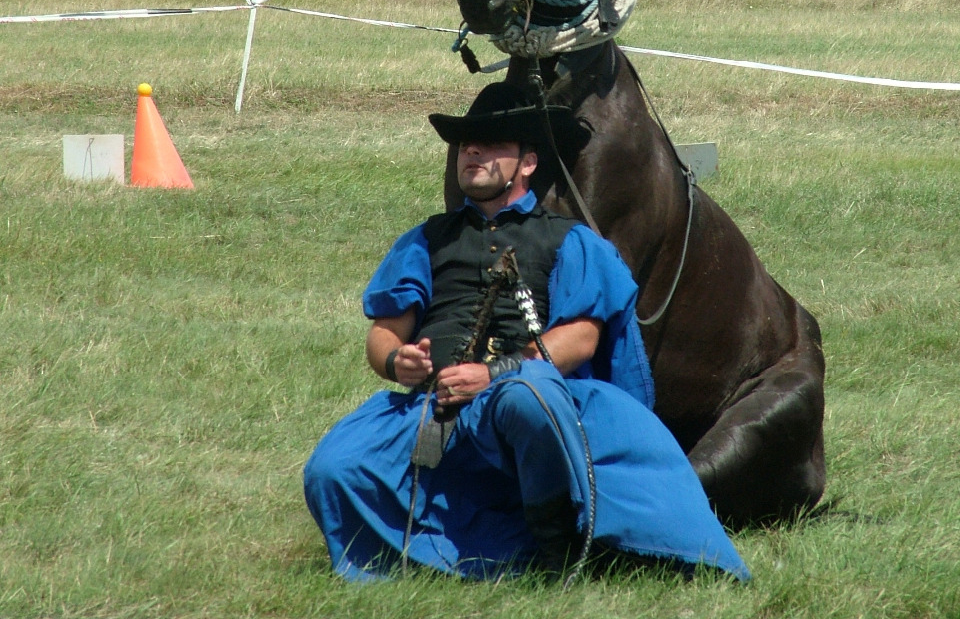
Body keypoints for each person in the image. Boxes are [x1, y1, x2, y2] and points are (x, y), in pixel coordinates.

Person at [303, 83, 749, 582]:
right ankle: (453, 558)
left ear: (528, 163)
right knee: (333, 467)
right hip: (436, 405)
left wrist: (492, 374)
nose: (472, 153)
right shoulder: (423, 240)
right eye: (467, 145)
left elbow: (580, 337)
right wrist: (396, 361)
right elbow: (384, 333)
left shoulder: (570, 240)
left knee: (527, 397)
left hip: (527, 393)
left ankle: (559, 554)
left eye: (491, 144)